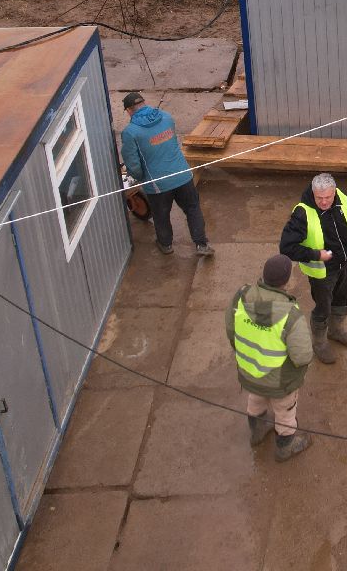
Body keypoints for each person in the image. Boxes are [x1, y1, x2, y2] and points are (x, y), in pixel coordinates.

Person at [227, 254, 313, 462]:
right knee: (285, 412)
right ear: (286, 281)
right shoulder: (290, 315)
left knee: (255, 398)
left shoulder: (241, 296)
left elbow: (231, 331)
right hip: (280, 381)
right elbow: (302, 356)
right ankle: (285, 447)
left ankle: (257, 432)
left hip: (249, 371)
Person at [279, 172, 347, 365]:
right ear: (313, 193)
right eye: (319, 198)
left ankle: (336, 331)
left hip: (343, 262)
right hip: (322, 272)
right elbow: (286, 247)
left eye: (328, 197)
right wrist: (316, 255)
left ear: (334, 192)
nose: (324, 202)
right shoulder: (302, 213)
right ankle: (319, 343)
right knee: (323, 307)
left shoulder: (341, 197)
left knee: (341, 299)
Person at [119, 91, 213, 257]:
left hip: (158, 184)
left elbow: (132, 163)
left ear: (129, 110)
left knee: (161, 215)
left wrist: (141, 178)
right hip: (183, 175)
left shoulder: (130, 132)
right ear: (144, 103)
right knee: (192, 208)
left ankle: (166, 244)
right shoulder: (166, 117)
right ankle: (201, 244)